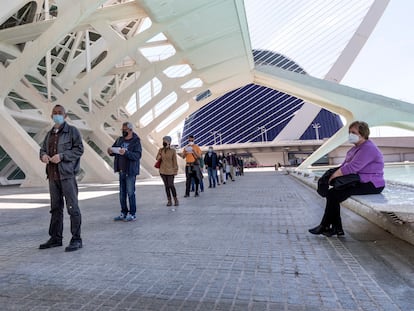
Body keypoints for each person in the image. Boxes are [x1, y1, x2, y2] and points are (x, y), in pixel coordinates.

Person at [309, 121, 385, 237]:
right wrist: (330, 175)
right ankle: (335, 228)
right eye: (349, 132)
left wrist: (334, 176)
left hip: (372, 184)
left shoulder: (368, 148)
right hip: (359, 181)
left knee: (333, 195)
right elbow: (344, 165)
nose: (350, 135)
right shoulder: (355, 149)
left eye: (353, 132)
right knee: (332, 194)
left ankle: (327, 226)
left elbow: (352, 167)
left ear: (362, 134)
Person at [39, 104, 84, 252]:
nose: (57, 115)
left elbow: (79, 149)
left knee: (72, 208)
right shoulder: (49, 133)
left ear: (65, 116)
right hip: (52, 176)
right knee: (55, 209)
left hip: (67, 176)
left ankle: (76, 239)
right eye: (54, 113)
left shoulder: (72, 131)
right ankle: (55, 238)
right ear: (51, 115)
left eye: (60, 113)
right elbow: (42, 149)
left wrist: (63, 156)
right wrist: (44, 156)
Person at [108, 122, 142, 221]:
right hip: (121, 170)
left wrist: (126, 153)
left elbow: (137, 155)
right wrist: (110, 151)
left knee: (130, 192)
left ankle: (132, 214)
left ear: (130, 130)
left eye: (125, 130)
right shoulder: (119, 139)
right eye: (122, 130)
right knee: (122, 193)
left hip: (130, 171)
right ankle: (123, 212)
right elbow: (114, 149)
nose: (123, 131)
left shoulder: (136, 141)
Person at [156, 136, 179, 208]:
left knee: (171, 185)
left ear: (169, 142)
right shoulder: (161, 150)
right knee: (166, 186)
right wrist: (159, 155)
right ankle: (169, 200)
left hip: (171, 171)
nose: (164, 142)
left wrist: (175, 170)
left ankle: (175, 199)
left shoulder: (172, 151)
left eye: (165, 141)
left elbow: (175, 161)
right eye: (163, 141)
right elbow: (157, 158)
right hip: (162, 171)